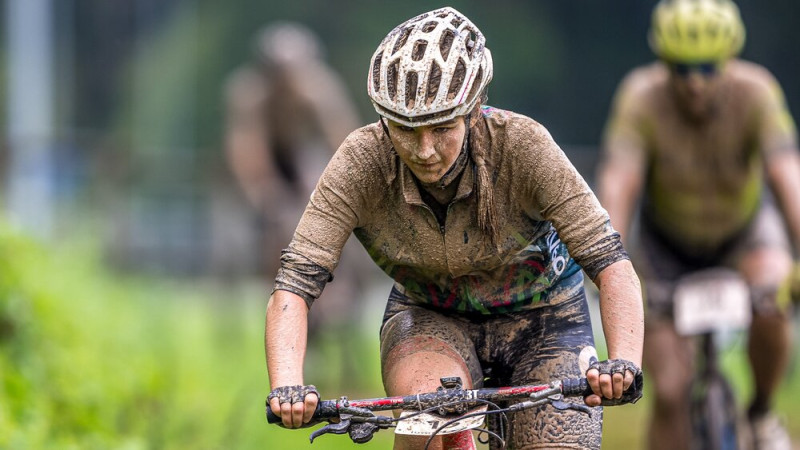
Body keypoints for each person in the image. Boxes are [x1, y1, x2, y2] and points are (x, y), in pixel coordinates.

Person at [266, 7, 644, 449]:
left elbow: (610, 261)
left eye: (442, 128)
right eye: (405, 130)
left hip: (546, 319)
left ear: (474, 111)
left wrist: (623, 362)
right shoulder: (360, 162)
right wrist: (288, 386)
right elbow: (295, 282)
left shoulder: (525, 147)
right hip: (430, 318)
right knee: (426, 416)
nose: (425, 150)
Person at [596, 0, 800, 449]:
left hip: (743, 237)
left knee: (773, 298)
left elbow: (788, 176)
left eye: (707, 68)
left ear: (729, 58)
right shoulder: (640, 97)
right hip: (664, 246)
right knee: (668, 389)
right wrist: (607, 262)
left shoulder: (757, 91)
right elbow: (619, 184)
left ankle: (762, 411)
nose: (694, 83)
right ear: (663, 62)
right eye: (681, 68)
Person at [224, 22, 374, 388]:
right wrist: (263, 194)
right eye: (278, 74)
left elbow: (344, 140)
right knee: (272, 216)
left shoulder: (319, 88)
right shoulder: (248, 93)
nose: (286, 82)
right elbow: (246, 148)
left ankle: (354, 283)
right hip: (273, 162)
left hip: (305, 157)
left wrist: (350, 193)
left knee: (324, 194)